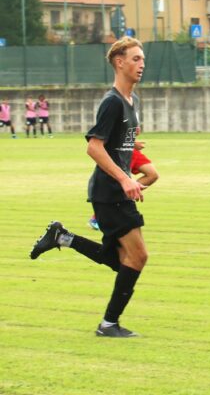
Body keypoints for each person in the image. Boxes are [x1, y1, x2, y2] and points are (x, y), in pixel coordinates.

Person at [29, 36, 149, 338]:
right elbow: (94, 147)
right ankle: (108, 324)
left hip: (113, 192)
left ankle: (63, 237)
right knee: (137, 257)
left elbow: (114, 142)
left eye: (143, 59)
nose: (141, 64)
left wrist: (129, 144)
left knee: (119, 260)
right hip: (110, 192)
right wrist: (124, 178)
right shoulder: (112, 102)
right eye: (135, 59)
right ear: (119, 62)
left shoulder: (131, 101)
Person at [89, 137, 159, 230]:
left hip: (130, 150)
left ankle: (116, 207)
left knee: (152, 175)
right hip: (121, 151)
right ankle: (99, 216)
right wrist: (131, 143)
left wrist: (131, 143)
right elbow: (110, 135)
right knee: (116, 180)